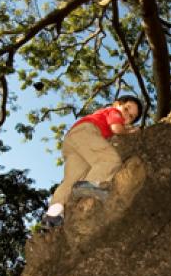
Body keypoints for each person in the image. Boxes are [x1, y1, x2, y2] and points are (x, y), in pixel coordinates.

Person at [42, 95, 143, 229]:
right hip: (87, 131)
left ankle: (54, 212)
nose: (126, 116)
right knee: (110, 160)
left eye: (131, 117)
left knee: (71, 178)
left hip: (73, 142)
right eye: (126, 109)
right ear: (116, 104)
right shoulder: (113, 112)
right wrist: (131, 130)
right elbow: (116, 129)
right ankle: (86, 187)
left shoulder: (110, 113)